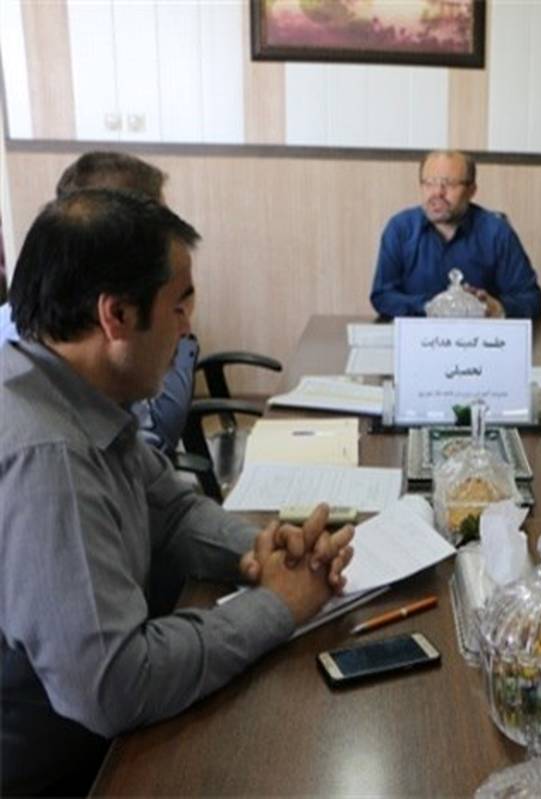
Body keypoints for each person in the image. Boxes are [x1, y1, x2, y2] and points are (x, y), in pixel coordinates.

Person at [0, 189, 355, 795]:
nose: (188, 327)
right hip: (67, 771)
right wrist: (277, 605)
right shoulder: (49, 457)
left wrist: (263, 549)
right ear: (115, 316)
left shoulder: (66, 390)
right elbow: (114, 684)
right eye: (179, 304)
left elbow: (171, 510)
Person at [0, 150, 198, 453]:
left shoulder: (56, 344)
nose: (168, 237)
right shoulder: (52, 451)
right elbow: (158, 437)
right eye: (157, 224)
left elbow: (146, 468)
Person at [370, 149, 541, 320]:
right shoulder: (400, 229)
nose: (437, 192)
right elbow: (382, 296)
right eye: (429, 183)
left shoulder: (496, 232)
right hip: (418, 336)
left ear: (471, 190)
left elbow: (532, 300)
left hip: (479, 336)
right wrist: (432, 306)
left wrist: (496, 307)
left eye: (449, 184)